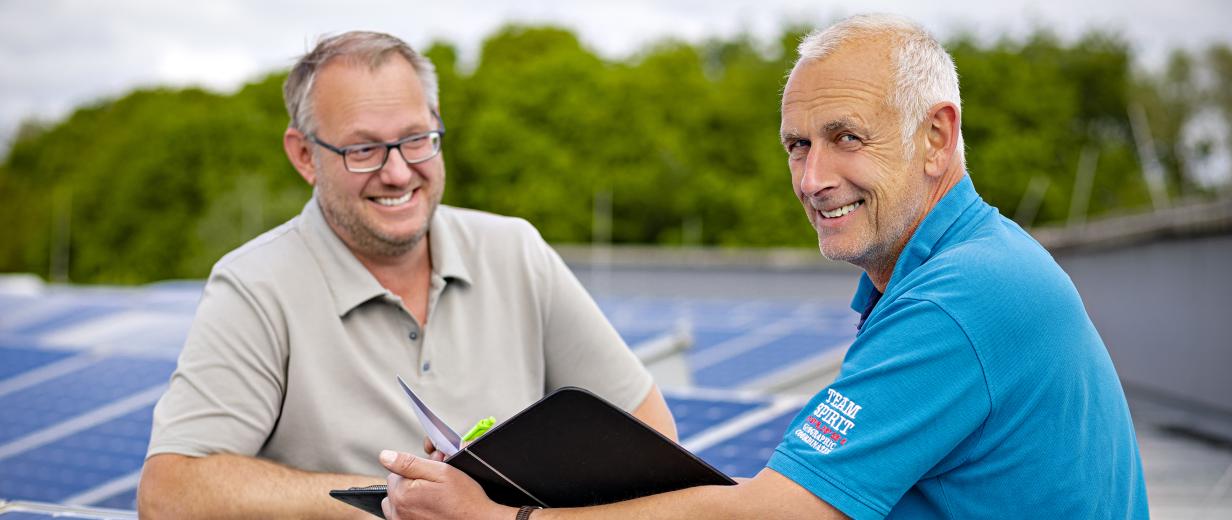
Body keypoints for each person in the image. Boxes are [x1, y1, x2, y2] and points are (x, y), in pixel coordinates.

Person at [376, 14, 1149, 520]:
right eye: (797, 146)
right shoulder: (957, 267)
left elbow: (780, 513)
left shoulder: (965, 296)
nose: (813, 179)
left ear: (937, 138)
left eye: (847, 137)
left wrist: (506, 517)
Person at [136, 31, 676, 519]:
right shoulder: (255, 286)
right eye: (364, 149)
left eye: (416, 138)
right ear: (304, 155)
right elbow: (169, 493)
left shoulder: (515, 251)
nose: (397, 172)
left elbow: (651, 432)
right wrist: (400, 501)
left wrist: (499, 507)